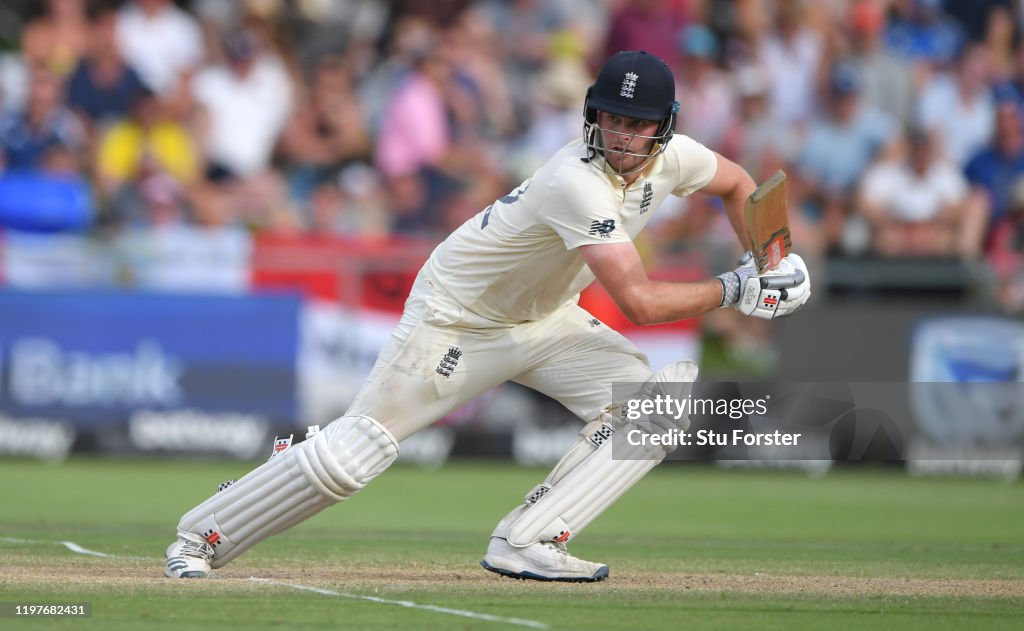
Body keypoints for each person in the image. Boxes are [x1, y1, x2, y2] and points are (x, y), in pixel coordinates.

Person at [162, 51, 811, 582]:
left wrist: (773, 257)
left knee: (654, 405)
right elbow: (639, 300)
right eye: (610, 118)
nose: (620, 135)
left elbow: (738, 183)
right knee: (355, 455)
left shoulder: (678, 157)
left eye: (636, 123)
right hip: (458, 318)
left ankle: (529, 541)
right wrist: (736, 287)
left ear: (664, 126)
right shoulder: (575, 180)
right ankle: (200, 534)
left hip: (545, 319)